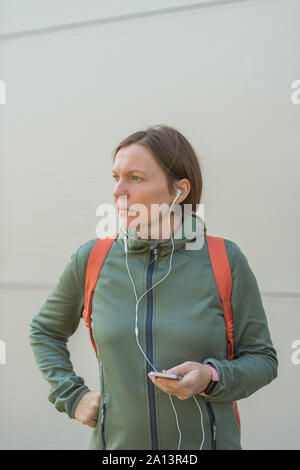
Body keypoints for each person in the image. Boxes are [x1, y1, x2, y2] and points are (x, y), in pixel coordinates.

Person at [29, 125, 278, 450]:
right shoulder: (92, 259)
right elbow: (44, 331)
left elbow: (262, 359)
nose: (119, 191)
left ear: (180, 190)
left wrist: (210, 376)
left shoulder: (224, 260)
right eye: (116, 177)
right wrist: (72, 396)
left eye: (135, 178)